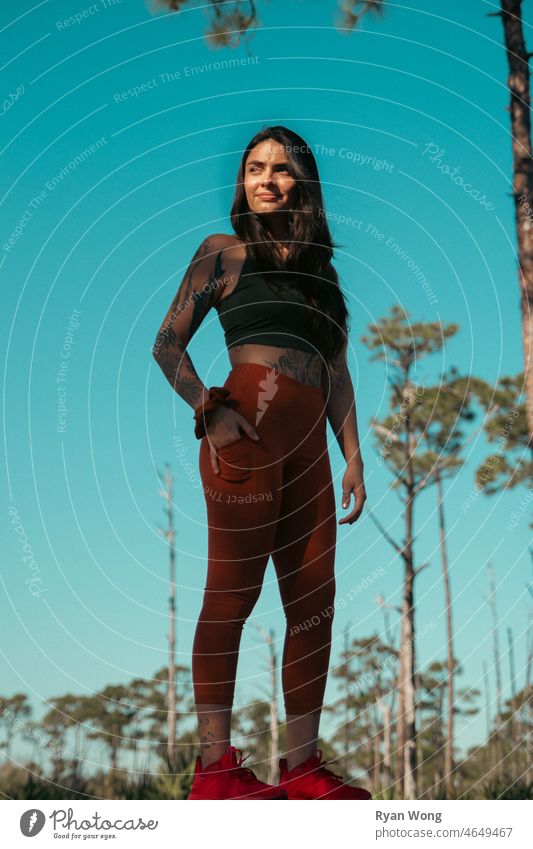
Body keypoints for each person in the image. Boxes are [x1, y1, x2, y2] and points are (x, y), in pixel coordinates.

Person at [152, 125, 370, 800]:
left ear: (301, 182)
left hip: (310, 452)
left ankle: (301, 767)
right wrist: (207, 409)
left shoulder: (321, 276)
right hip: (243, 434)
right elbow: (166, 344)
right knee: (232, 594)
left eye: (281, 168)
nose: (267, 178)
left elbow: (335, 368)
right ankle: (215, 767)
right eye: (254, 167)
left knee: (314, 604)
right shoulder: (221, 253)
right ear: (241, 181)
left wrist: (354, 455)